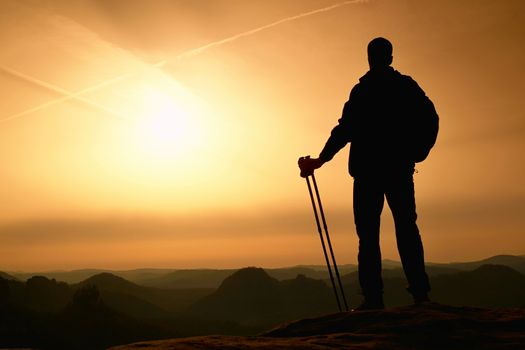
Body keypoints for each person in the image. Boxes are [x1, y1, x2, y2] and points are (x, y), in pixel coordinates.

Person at [298, 37, 438, 310]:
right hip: (398, 169)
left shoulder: (362, 92)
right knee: (407, 229)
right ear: (391, 58)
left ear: (370, 58)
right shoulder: (405, 87)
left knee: (369, 235)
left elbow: (344, 130)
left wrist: (321, 160)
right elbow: (431, 118)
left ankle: (373, 300)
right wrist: (417, 151)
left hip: (367, 172)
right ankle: (420, 295)